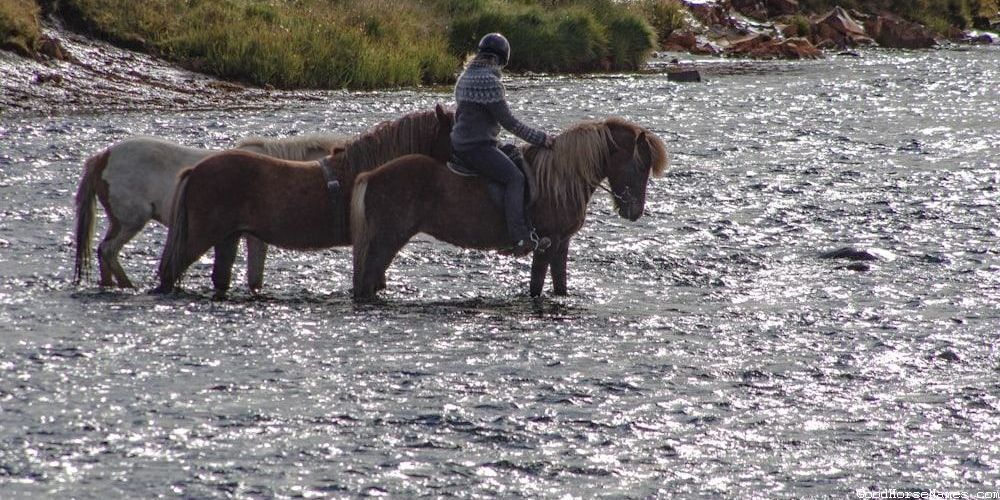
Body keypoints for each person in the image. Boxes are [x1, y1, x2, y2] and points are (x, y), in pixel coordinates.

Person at [451, 32, 553, 256]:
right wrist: (541, 138)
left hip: (461, 144)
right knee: (515, 178)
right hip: (478, 148)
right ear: (501, 59)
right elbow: (510, 123)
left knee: (514, 154)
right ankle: (519, 238)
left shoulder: (465, 77)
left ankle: (528, 228)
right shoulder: (490, 82)